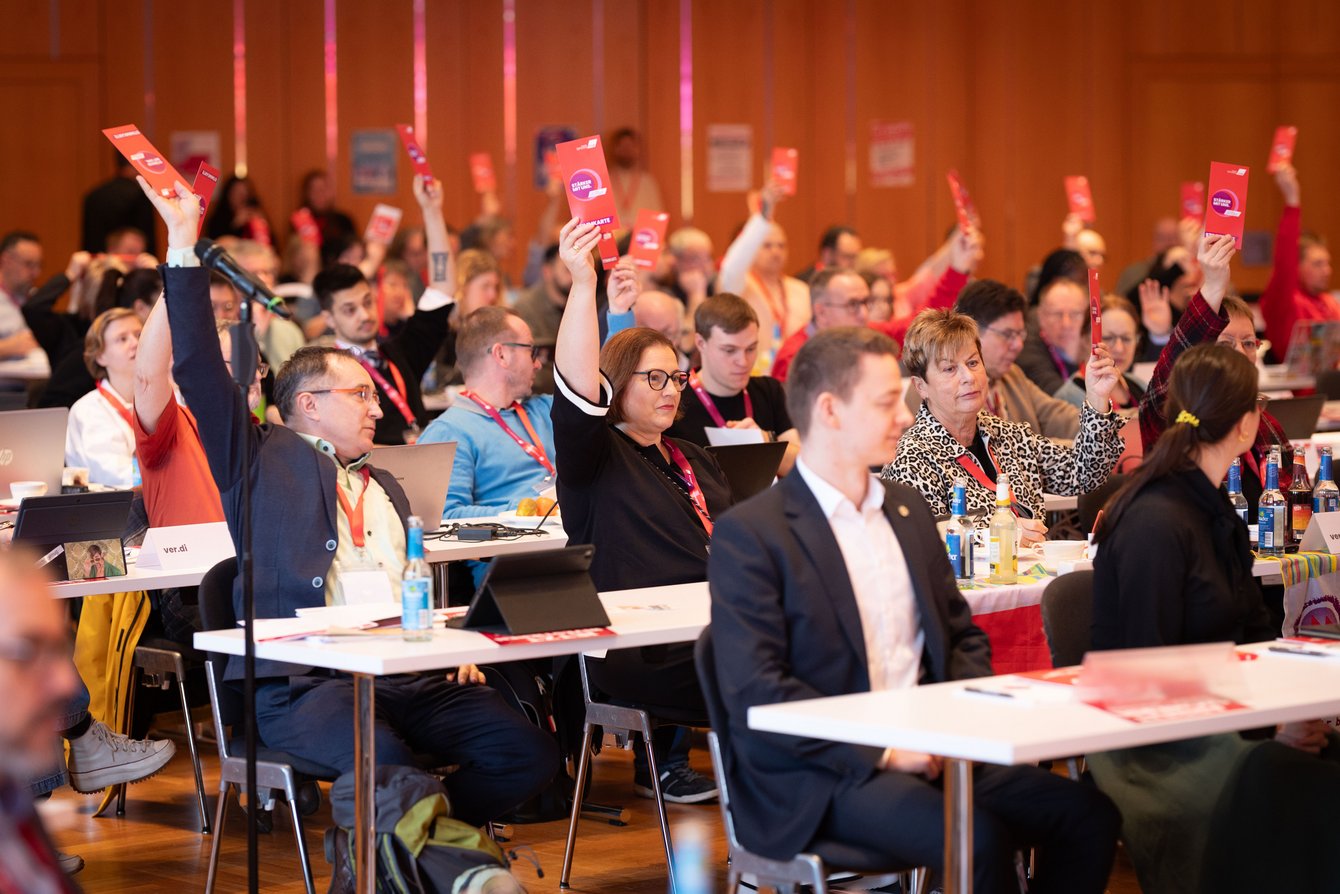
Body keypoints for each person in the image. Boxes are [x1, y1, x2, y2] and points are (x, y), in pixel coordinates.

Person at [144, 175, 558, 825]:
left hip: (407, 674)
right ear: (307, 404)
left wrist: (452, 647)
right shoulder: (258, 459)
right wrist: (181, 246)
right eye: (359, 396)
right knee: (388, 765)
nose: (376, 407)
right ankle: (424, 850)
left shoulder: (385, 482)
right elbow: (197, 365)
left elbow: (417, 584)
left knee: (530, 755)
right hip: (311, 684)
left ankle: (429, 844)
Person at [709, 326, 1119, 894]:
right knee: (978, 836)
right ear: (830, 411)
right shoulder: (752, 535)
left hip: (934, 745)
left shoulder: (902, 510)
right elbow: (760, 691)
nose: (902, 418)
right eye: (884, 404)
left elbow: (961, 636)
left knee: (1088, 815)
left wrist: (959, 727)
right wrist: (885, 749)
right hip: (821, 774)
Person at [1090, 343, 1340, 893]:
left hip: (1222, 718)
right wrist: (1272, 724)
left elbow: (1254, 634)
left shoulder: (1211, 507)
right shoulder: (1156, 523)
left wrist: (1290, 711)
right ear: (1249, 425)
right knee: (1320, 794)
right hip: (1156, 745)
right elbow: (1145, 677)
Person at [551, 217, 723, 803]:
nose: (671, 389)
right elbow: (576, 392)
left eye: (676, 377)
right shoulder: (595, 459)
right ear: (617, 386)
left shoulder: (691, 456)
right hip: (635, 649)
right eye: (654, 378)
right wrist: (583, 286)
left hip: (709, 628)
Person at [884, 309, 1124, 536]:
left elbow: (1085, 474)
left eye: (973, 363)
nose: (968, 377)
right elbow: (929, 543)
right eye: (949, 369)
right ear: (920, 386)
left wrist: (1097, 397)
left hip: (1035, 575)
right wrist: (1006, 537)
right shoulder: (912, 457)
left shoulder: (1007, 435)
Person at [1140, 233, 1291, 517]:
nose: (1240, 353)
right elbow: (1167, 377)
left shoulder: (1267, 425)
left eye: (1248, 343)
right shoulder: (1176, 420)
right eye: (1225, 344)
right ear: (1201, 352)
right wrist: (1212, 285)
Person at [315, 175, 455, 445]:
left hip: (424, 464)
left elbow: (442, 288)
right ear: (328, 318)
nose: (364, 315)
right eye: (349, 309)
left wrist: (432, 211)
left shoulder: (399, 353)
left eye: (367, 302)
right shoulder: (323, 373)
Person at [772, 227, 980, 382]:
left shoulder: (866, 334)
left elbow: (920, 325)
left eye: (865, 303)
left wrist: (958, 270)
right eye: (853, 305)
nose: (863, 313)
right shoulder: (794, 357)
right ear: (821, 311)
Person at [419, 307, 553, 519]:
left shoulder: (544, 410)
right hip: (522, 547)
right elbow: (443, 517)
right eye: (530, 351)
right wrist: (527, 512)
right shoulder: (448, 432)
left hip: (574, 539)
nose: (537, 364)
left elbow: (609, 394)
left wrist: (618, 312)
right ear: (501, 354)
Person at [665, 293, 799, 475]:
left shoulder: (769, 390)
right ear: (701, 343)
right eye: (729, 350)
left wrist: (765, 443)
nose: (743, 362)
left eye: (751, 349)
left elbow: (803, 467)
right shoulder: (674, 399)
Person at [948, 279, 1080, 439]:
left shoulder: (1012, 375)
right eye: (1007, 335)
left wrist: (1108, 426)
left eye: (1020, 334)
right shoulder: (953, 388)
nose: (1018, 345)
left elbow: (1057, 416)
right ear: (972, 333)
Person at [715, 182, 810, 368]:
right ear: (752, 249)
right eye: (767, 246)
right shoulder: (740, 285)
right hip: (753, 372)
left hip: (796, 371)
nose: (776, 252)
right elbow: (731, 268)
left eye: (781, 246)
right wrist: (763, 217)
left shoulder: (801, 289)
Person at [1260, 164, 1338, 358]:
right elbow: (1284, 258)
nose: (1327, 270)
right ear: (1296, 266)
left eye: (1328, 263)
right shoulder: (1285, 301)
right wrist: (1292, 201)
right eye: (1317, 264)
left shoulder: (1329, 302)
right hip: (1295, 388)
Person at [64, 308, 142, 488]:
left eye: (140, 334)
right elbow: (114, 476)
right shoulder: (89, 410)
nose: (135, 343)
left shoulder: (171, 395)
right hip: (117, 510)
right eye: (122, 339)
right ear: (100, 356)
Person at [512, 244, 571, 394]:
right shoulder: (525, 309)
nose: (574, 276)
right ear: (547, 272)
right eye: (567, 269)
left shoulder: (587, 302)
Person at [1016, 276, 1088, 395]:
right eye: (1057, 314)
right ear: (1041, 317)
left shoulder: (1096, 342)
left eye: (1075, 314)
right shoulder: (1028, 350)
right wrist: (1073, 359)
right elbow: (1060, 398)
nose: (1066, 324)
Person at [82, 153, 159, 256]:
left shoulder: (93, 195)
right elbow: (147, 239)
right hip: (130, 264)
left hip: (98, 263)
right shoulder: (140, 196)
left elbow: (89, 240)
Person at [607, 127, 666, 232]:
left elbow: (657, 216)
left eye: (630, 146)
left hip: (641, 239)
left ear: (637, 149)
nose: (626, 150)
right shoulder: (605, 180)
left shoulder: (647, 181)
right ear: (615, 149)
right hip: (613, 239)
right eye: (622, 146)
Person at [204, 175, 272, 244]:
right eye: (236, 193)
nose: (240, 198)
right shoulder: (218, 218)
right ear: (228, 194)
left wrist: (262, 225)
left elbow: (272, 245)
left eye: (244, 194)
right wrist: (235, 224)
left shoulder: (255, 212)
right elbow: (214, 241)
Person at [297, 169, 357, 248]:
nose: (319, 194)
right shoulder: (299, 220)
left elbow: (354, 248)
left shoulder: (343, 221)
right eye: (314, 190)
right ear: (307, 194)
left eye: (323, 189)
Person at [794, 225, 861, 283]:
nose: (853, 263)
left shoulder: (857, 281)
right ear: (827, 254)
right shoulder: (803, 284)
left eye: (856, 257)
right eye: (847, 257)